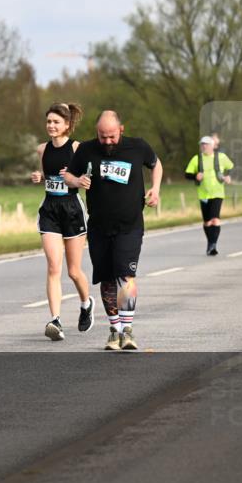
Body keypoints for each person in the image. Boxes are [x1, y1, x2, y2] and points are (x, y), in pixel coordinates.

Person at [64, 110, 162, 352]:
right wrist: (76, 182)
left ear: (121, 130)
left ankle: (128, 330)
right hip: (98, 226)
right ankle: (114, 330)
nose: (107, 141)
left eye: (111, 137)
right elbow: (67, 175)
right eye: (102, 136)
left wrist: (155, 188)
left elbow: (156, 163)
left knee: (125, 275)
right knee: (107, 279)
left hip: (130, 224)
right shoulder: (86, 149)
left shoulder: (137, 147)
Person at [29, 102, 93, 341]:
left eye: (56, 122)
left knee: (74, 271)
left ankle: (86, 304)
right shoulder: (41, 149)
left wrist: (75, 180)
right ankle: (55, 320)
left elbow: (86, 179)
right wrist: (40, 176)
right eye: (49, 122)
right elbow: (48, 173)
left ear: (67, 125)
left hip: (72, 209)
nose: (51, 126)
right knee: (54, 267)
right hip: (50, 210)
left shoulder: (78, 148)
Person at [185, 135, 233, 255]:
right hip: (203, 194)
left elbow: (232, 168)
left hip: (218, 193)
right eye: (202, 144)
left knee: (215, 219)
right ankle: (210, 243)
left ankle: (213, 245)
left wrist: (228, 177)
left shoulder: (221, 157)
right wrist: (195, 176)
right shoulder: (197, 159)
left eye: (206, 144)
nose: (204, 146)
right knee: (207, 222)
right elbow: (187, 174)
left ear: (212, 146)